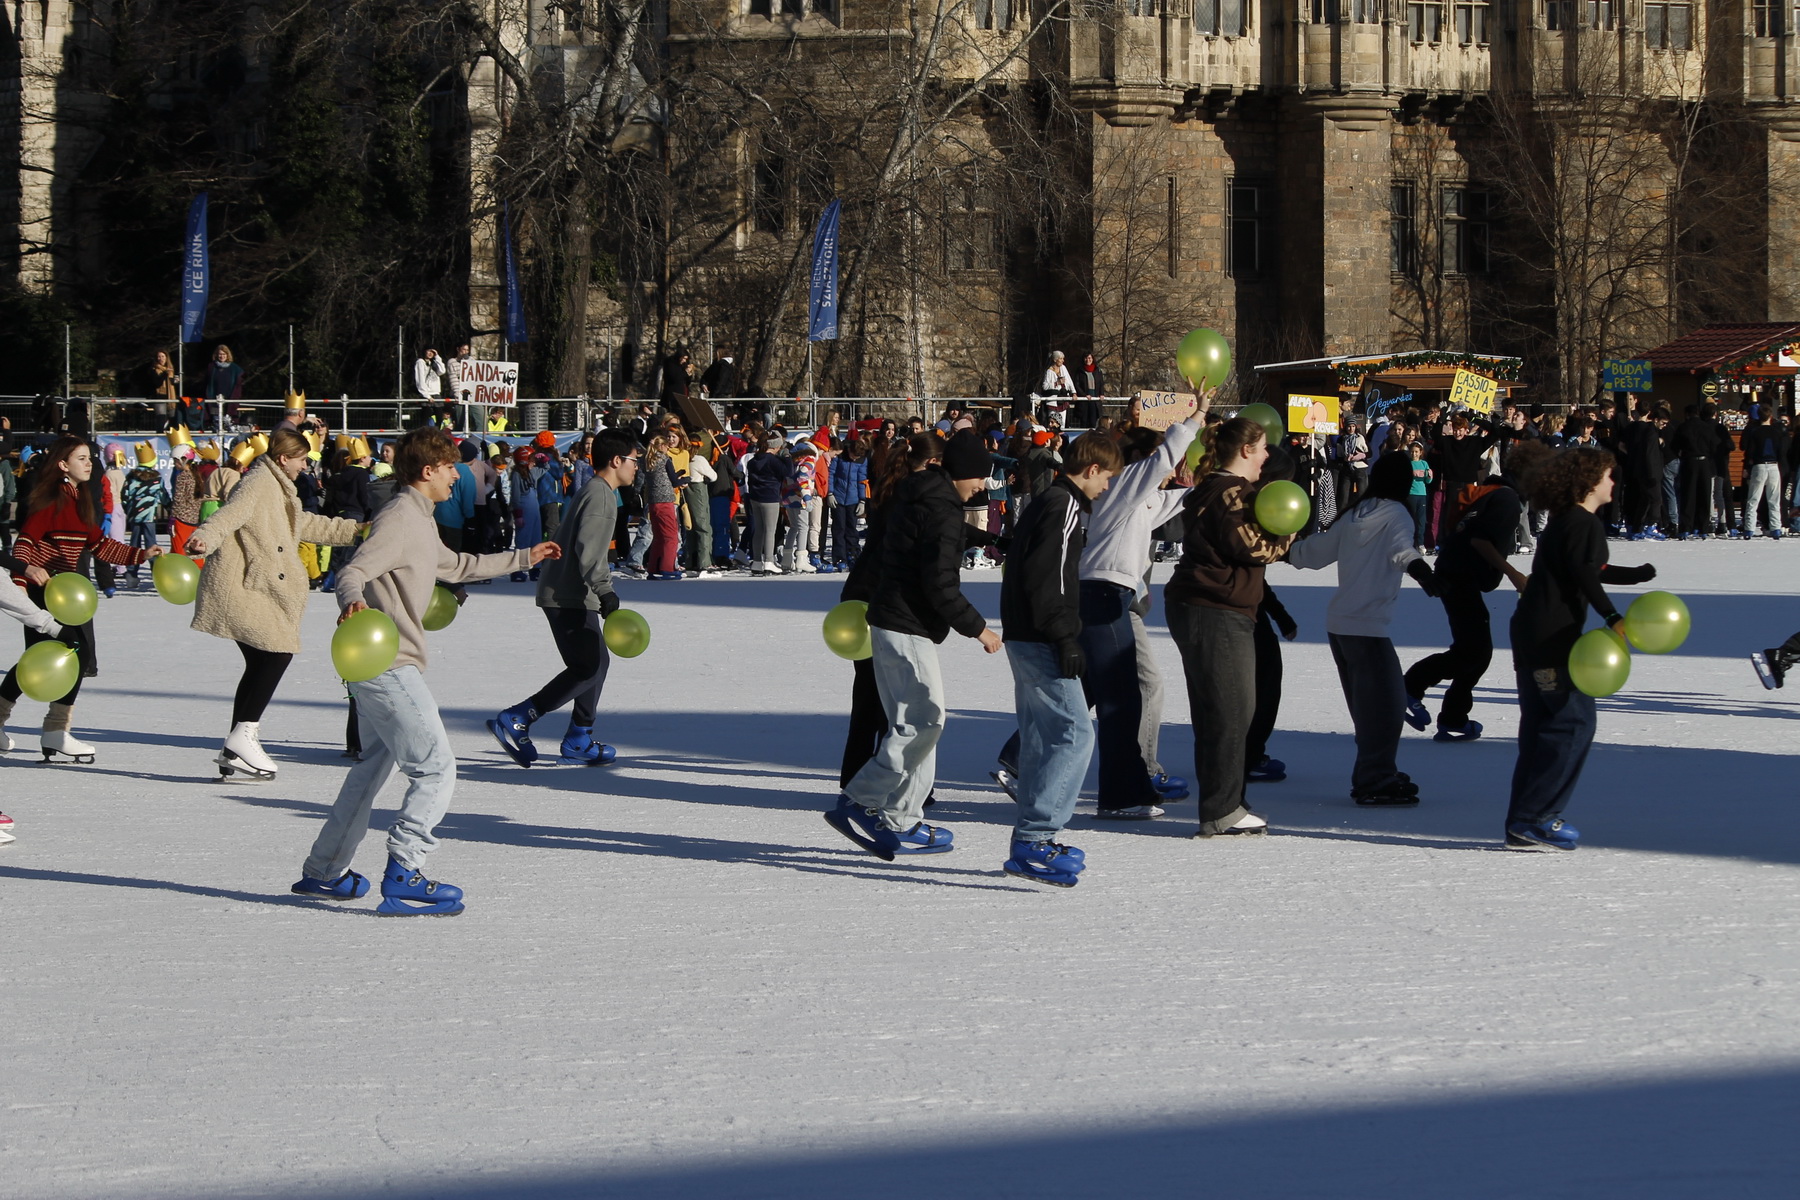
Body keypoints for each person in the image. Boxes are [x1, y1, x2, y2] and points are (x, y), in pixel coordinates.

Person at [292, 427, 560, 915]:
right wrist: (352, 601)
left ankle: (324, 870)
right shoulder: (399, 518)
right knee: (436, 767)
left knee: (371, 769)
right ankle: (405, 873)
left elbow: (457, 566)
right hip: (388, 663)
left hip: (378, 664)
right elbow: (353, 571)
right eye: (450, 467)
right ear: (428, 470)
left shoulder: (418, 517)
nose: (457, 476)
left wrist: (526, 555)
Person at [825, 431, 1004, 860]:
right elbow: (940, 584)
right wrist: (980, 629)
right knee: (923, 721)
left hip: (891, 620)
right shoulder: (939, 507)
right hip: (906, 626)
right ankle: (863, 799)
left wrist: (991, 540)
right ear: (962, 472)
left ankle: (902, 816)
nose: (983, 485)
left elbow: (940, 541)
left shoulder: (923, 494)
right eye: (980, 476)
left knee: (916, 721)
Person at [184, 429, 363, 780]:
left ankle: (236, 745)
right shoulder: (258, 483)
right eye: (301, 459)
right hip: (246, 588)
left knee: (261, 661)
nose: (305, 466)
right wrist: (204, 537)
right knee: (277, 653)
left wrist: (354, 531)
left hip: (256, 587)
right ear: (284, 458)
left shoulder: (279, 486)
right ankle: (242, 738)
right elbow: (229, 514)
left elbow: (304, 523)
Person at [1506, 446, 1656, 850]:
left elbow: (1587, 569)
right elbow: (1584, 572)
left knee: (1540, 730)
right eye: (1608, 475)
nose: (1613, 482)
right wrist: (1612, 616)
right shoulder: (1583, 523)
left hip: (1532, 634)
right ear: (1590, 482)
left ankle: (1522, 824)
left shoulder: (1565, 521)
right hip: (1552, 639)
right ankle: (1537, 818)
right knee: (1573, 722)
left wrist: (1634, 575)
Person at [998, 432, 1120, 886]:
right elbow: (1050, 579)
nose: (1106, 487)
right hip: (1041, 637)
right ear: (1091, 469)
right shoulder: (1063, 505)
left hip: (1024, 634)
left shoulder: (1047, 501)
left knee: (1040, 738)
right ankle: (1036, 838)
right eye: (1107, 478)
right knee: (1074, 734)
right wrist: (1065, 637)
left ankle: (1031, 839)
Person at [1164, 417, 1295, 838]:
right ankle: (1222, 810)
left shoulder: (1219, 488)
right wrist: (1287, 533)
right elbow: (1252, 548)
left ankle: (1226, 802)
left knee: (1220, 709)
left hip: (1209, 606)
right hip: (1215, 609)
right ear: (1245, 451)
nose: (1267, 456)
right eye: (1262, 448)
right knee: (1230, 710)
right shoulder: (1230, 492)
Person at [1288, 452, 1439, 805]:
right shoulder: (1397, 513)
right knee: (1386, 708)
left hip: (1340, 625)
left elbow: (1317, 551)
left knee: (1368, 707)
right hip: (1366, 627)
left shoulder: (1357, 511)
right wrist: (1423, 572)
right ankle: (1375, 779)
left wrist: (1287, 551)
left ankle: (1374, 771)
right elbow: (1402, 551)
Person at [0, 436, 160, 762]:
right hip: (44, 590)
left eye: (90, 458)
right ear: (63, 465)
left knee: (72, 656)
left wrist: (140, 554)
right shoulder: (51, 501)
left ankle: (56, 730)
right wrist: (21, 580)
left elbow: (101, 545)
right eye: (81, 458)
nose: (89, 464)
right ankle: (46, 728)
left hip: (68, 594)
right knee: (51, 656)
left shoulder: (80, 501)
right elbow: (25, 543)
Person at [489, 431, 637, 767]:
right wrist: (605, 590)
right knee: (588, 666)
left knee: (594, 663)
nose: (636, 467)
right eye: (633, 461)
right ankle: (519, 716)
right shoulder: (601, 495)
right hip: (568, 593)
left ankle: (579, 737)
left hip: (569, 591)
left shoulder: (598, 490)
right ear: (617, 461)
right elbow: (589, 551)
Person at [1404, 443, 1547, 743]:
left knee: (1476, 652)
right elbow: (1480, 541)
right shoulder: (1507, 500)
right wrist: (1515, 575)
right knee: (1474, 651)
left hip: (1456, 573)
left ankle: (1452, 717)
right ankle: (1409, 688)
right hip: (1459, 577)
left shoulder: (1496, 492)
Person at [121, 444, 170, 589]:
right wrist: (170, 508)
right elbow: (163, 496)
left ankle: (131, 574)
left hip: (135, 516)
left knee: (134, 545)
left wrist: (129, 510)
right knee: (152, 544)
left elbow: (124, 496)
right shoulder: (157, 478)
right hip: (149, 516)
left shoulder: (131, 477)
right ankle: (156, 573)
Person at [1740, 405, 1789, 539]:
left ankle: (1749, 528)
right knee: (1774, 499)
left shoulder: (1755, 432)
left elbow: (1750, 451)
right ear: (1770, 417)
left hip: (1759, 466)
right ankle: (1776, 528)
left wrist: (1747, 468)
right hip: (1773, 465)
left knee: (1753, 499)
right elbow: (1781, 451)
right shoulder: (1776, 432)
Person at [745, 436, 791, 574]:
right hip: (770, 497)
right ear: (775, 447)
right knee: (770, 530)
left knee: (759, 529)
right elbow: (788, 472)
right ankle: (769, 561)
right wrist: (787, 457)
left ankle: (757, 561)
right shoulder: (773, 460)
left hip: (755, 496)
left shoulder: (753, 460)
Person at [1073, 352, 1105, 429]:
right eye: (1086, 358)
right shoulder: (1080, 371)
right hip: (1084, 401)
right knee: (1084, 422)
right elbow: (1076, 384)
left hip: (1094, 400)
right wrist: (1084, 395)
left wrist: (1101, 394)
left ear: (1093, 359)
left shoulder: (1098, 370)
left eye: (1089, 358)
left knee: (1093, 422)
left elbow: (1101, 383)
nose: (1088, 360)